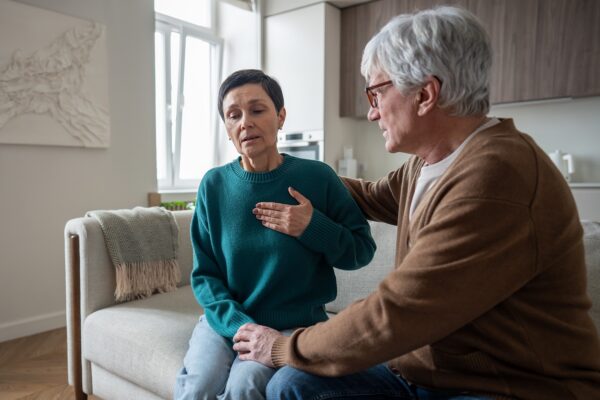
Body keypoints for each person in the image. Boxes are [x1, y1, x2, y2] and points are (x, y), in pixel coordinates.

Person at [232, 6, 600, 400]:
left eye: (376, 92)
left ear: (425, 94)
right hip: (424, 374)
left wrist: (283, 347)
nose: (372, 112)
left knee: (290, 372)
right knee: (294, 386)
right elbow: (367, 195)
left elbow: (396, 312)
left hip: (509, 386)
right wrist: (280, 171)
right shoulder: (425, 166)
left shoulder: (498, 175)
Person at [174, 69, 376, 400]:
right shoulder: (213, 185)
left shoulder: (319, 177)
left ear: (280, 117)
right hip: (228, 322)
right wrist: (239, 324)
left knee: (246, 385)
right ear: (226, 128)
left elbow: (361, 250)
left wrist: (312, 227)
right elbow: (205, 277)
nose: (245, 123)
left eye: (257, 110)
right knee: (198, 386)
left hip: (290, 328)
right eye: (233, 115)